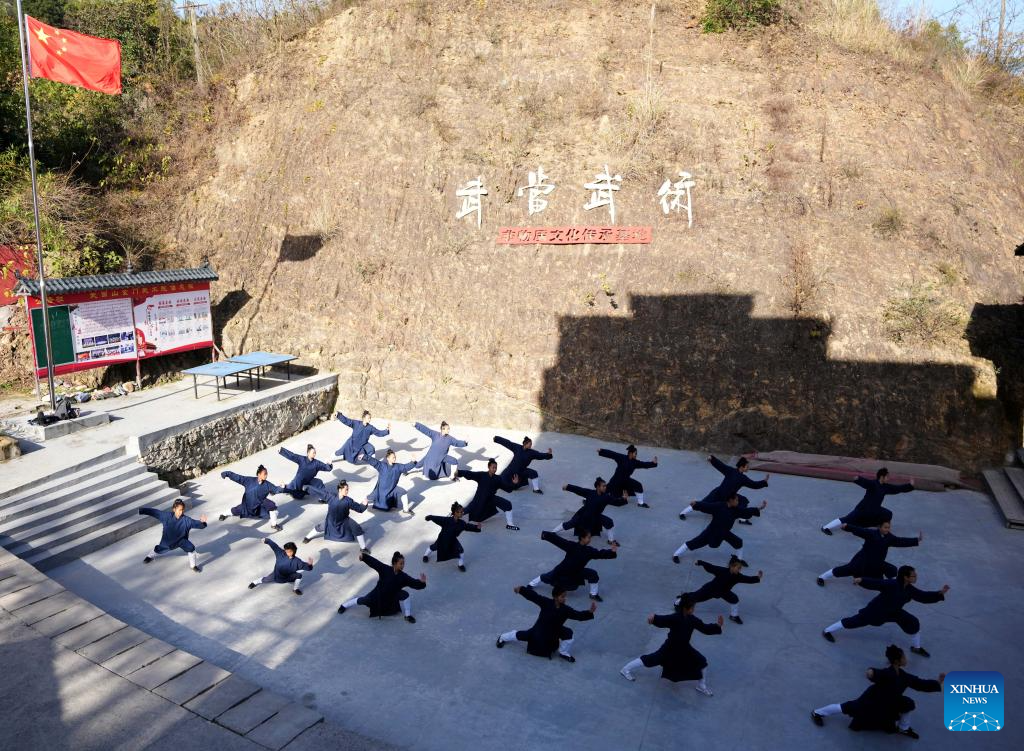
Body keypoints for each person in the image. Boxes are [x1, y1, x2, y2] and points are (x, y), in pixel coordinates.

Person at [811, 644, 945, 739]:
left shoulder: (904, 676)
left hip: (889, 703)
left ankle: (904, 728)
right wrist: (871, 672)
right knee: (847, 707)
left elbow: (919, 684)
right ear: (897, 661)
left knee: (908, 703)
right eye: (904, 657)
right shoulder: (887, 673)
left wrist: (937, 682)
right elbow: (876, 673)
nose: (906, 659)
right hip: (871, 701)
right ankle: (817, 712)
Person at [822, 566, 950, 657]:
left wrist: (939, 594)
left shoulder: (910, 589)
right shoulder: (892, 584)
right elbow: (877, 583)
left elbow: (923, 596)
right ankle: (827, 630)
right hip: (876, 611)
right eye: (913, 575)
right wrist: (861, 580)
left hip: (894, 612)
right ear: (905, 577)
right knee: (853, 622)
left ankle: (916, 648)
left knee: (913, 623)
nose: (916, 577)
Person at [619, 595, 723, 696]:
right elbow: (663, 620)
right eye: (692, 607)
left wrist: (717, 626)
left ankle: (701, 685)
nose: (693, 609)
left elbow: (704, 628)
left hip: (685, 648)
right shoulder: (675, 618)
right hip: (670, 648)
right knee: (652, 660)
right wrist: (654, 618)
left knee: (702, 661)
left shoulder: (693, 619)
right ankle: (625, 669)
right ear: (685, 608)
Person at [495, 584, 597, 663]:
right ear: (555, 597)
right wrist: (521, 589)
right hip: (539, 631)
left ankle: (563, 652)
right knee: (522, 635)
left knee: (569, 634)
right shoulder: (546, 603)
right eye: (562, 596)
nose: (565, 598)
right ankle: (502, 637)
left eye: (565, 596)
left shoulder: (566, 610)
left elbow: (578, 615)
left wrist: (589, 613)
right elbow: (534, 596)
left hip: (555, 631)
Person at [817, 522, 921, 586]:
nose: (887, 530)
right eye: (885, 527)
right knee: (846, 570)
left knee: (890, 570)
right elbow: (860, 530)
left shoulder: (889, 537)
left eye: (888, 527)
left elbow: (900, 541)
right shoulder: (871, 533)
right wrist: (848, 526)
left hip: (876, 562)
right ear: (879, 527)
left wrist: (916, 540)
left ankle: (890, 588)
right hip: (863, 559)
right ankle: (822, 577)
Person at [673, 494, 766, 565]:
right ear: (731, 500)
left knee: (738, 542)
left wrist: (759, 508)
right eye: (737, 500)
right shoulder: (719, 506)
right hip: (711, 532)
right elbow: (707, 506)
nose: (738, 502)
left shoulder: (736, 509)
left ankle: (738, 560)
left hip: (724, 533)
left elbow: (746, 511)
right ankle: (676, 555)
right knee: (694, 543)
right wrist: (696, 504)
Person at [527, 530, 618, 601]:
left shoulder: (589, 551)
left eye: (590, 538)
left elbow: (600, 554)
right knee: (546, 577)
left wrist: (611, 552)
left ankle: (593, 594)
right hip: (562, 571)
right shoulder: (571, 546)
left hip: (577, 571)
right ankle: (531, 584)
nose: (590, 540)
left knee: (593, 574)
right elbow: (559, 541)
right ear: (582, 538)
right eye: (588, 537)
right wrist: (546, 535)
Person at [337, 551, 426, 623]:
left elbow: (413, 582)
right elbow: (375, 563)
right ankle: (344, 605)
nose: (403, 566)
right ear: (394, 563)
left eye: (403, 564)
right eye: (401, 563)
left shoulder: (403, 576)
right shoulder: (385, 569)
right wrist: (364, 557)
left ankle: (408, 615)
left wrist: (421, 583)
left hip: (392, 596)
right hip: (378, 595)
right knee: (363, 600)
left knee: (405, 595)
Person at [821, 468, 914, 534]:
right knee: (847, 519)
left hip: (875, 509)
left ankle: (879, 526)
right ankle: (826, 527)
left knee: (888, 514)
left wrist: (910, 486)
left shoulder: (886, 487)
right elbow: (866, 482)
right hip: (863, 509)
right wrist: (858, 479)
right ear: (882, 477)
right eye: (887, 477)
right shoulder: (873, 484)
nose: (888, 478)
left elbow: (897, 488)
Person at [681, 455, 768, 525]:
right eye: (747, 466)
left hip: (728, 497)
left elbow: (754, 485)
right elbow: (721, 465)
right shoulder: (734, 473)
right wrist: (712, 459)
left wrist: (712, 459)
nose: (748, 468)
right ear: (742, 467)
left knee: (743, 501)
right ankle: (683, 513)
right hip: (718, 494)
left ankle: (742, 519)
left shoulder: (740, 476)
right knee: (703, 504)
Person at [682, 556, 763, 624]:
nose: (739, 570)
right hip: (710, 590)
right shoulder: (722, 571)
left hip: (723, 592)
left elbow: (747, 579)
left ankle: (733, 616)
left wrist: (757, 578)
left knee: (734, 599)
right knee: (693, 598)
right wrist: (700, 562)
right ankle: (678, 602)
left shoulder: (738, 576)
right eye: (738, 568)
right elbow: (711, 567)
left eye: (740, 568)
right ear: (731, 566)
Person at [551, 478, 627, 544]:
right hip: (583, 514)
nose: (605, 487)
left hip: (595, 516)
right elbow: (579, 490)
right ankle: (552, 532)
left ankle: (611, 541)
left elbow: (617, 503)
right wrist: (568, 486)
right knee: (570, 524)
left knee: (609, 522)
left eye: (605, 486)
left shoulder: (606, 497)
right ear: (598, 487)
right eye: (603, 486)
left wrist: (624, 499)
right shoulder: (590, 493)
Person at [302, 480, 370, 552]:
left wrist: (364, 504)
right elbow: (319, 492)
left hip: (344, 521)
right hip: (331, 521)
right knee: (319, 527)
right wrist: (307, 487)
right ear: (340, 490)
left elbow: (359, 509)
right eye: (346, 489)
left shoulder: (348, 501)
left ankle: (363, 548)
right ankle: (307, 538)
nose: (347, 491)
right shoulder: (330, 496)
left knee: (357, 529)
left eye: (347, 489)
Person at [140, 500, 206, 572]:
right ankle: (149, 556)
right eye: (179, 510)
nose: (181, 512)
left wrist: (202, 522)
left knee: (191, 548)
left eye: (182, 510)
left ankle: (193, 566)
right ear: (174, 509)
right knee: (158, 549)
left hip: (181, 541)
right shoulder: (166, 516)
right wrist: (142, 510)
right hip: (168, 542)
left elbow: (196, 524)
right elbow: (155, 512)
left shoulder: (186, 520)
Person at [455, 459, 520, 530]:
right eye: (493, 467)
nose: (495, 469)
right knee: (465, 511)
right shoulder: (482, 475)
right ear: (489, 467)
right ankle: (453, 519)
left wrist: (513, 484)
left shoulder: (498, 478)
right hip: (479, 500)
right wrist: (459, 472)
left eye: (496, 468)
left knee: (507, 504)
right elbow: (470, 474)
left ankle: (510, 524)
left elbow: (507, 489)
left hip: (491, 499)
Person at [218, 465, 284, 530]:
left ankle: (274, 525)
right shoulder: (249, 480)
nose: (266, 475)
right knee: (235, 511)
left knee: (272, 508)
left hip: (258, 508)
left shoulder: (267, 485)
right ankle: (224, 514)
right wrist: (227, 473)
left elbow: (276, 489)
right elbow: (238, 478)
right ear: (259, 474)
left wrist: (281, 487)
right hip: (246, 507)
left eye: (267, 474)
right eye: (265, 474)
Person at [422, 502, 481, 571]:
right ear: (455, 513)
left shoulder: (461, 523)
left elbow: (468, 526)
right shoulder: (447, 520)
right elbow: (438, 518)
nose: (462, 513)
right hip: (443, 539)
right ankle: (425, 555)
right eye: (461, 512)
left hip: (452, 540)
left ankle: (460, 565)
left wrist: (476, 528)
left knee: (461, 550)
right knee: (434, 547)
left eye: (462, 511)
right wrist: (430, 517)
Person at [362, 449, 421, 513]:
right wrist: (364, 456)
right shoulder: (382, 466)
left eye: (395, 457)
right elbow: (374, 461)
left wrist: (413, 462)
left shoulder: (398, 466)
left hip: (392, 488)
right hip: (381, 490)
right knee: (370, 497)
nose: (394, 458)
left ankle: (406, 510)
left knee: (403, 492)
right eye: (393, 457)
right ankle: (361, 505)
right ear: (388, 458)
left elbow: (405, 467)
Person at [248, 538, 314, 595]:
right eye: (286, 550)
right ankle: (254, 582)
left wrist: (310, 565)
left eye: (289, 551)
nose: (287, 552)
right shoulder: (280, 553)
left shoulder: (298, 562)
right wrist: (266, 540)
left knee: (299, 575)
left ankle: (295, 589)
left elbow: (308, 568)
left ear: (293, 551)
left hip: (288, 577)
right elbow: (274, 546)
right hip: (276, 576)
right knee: (265, 580)